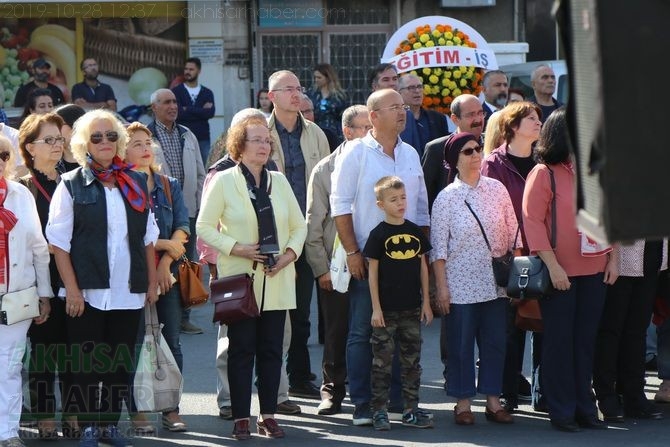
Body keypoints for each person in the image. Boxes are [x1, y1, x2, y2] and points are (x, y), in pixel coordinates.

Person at [46, 109, 159, 446]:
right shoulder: (70, 184)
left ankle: (109, 426)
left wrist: (151, 283)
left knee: (120, 365)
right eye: (96, 137)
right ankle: (89, 426)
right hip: (88, 293)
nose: (105, 142)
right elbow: (58, 244)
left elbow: (148, 238)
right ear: (84, 144)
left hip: (128, 290)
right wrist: (73, 290)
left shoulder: (136, 182)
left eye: (111, 136)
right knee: (84, 366)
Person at [196, 115, 307, 440]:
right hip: (240, 281)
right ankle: (241, 417)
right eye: (256, 140)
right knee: (242, 350)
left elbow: (299, 227)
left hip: (277, 278)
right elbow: (203, 227)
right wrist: (237, 248)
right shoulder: (224, 180)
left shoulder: (279, 181)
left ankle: (268, 415)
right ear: (239, 146)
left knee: (273, 350)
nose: (264, 145)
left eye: (266, 140)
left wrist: (289, 255)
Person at [330, 88, 430, 426]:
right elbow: (340, 207)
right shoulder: (355, 154)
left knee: (404, 334)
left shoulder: (411, 154)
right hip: (368, 263)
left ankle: (402, 404)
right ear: (373, 116)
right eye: (394, 107)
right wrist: (352, 252)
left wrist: (423, 257)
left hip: (406, 262)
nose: (402, 112)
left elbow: (420, 210)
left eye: (403, 107)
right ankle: (362, 405)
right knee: (363, 332)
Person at [522, 107, 618, 432]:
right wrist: (552, 266)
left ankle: (585, 409)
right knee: (560, 344)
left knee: (584, 342)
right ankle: (562, 410)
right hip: (559, 272)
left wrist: (614, 258)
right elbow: (532, 222)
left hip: (595, 269)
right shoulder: (544, 173)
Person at [430, 132, 518, 426]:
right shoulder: (446, 198)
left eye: (479, 148)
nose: (476, 154)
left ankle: (493, 401)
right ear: (454, 161)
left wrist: (516, 274)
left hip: (496, 283)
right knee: (461, 344)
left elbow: (513, 231)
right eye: (468, 151)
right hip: (460, 284)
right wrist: (441, 288)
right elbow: (438, 249)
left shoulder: (497, 188)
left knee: (495, 343)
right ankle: (463, 401)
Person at [124, 121, 191, 432]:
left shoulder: (168, 184)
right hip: (133, 276)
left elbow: (183, 227)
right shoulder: (121, 184)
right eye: (136, 143)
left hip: (169, 275)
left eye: (147, 142)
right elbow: (128, 235)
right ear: (124, 151)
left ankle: (170, 408)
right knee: (136, 343)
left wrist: (165, 262)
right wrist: (165, 244)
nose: (144, 148)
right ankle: (137, 411)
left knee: (172, 342)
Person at [267, 70, 330, 399]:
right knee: (271, 313)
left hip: (305, 233)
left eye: (298, 88)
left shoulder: (316, 133)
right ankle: (270, 377)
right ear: (271, 96)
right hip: (269, 235)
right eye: (288, 89)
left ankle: (300, 375)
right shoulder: (258, 132)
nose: (296, 93)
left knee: (302, 312)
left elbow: (324, 185)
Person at [305, 104, 371, 415]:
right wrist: (321, 270)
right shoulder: (325, 170)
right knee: (336, 331)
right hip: (337, 265)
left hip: (374, 261)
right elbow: (313, 225)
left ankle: (371, 391)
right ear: (347, 131)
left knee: (372, 329)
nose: (371, 134)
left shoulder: (378, 160)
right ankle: (332, 390)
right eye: (364, 128)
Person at [17, 113, 78, 440]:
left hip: (74, 280)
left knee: (73, 351)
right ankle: (44, 415)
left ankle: (72, 412)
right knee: (43, 353)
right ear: (30, 147)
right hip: (38, 282)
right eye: (49, 140)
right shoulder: (23, 187)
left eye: (60, 139)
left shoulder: (75, 178)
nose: (58, 145)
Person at [480, 101, 543, 413]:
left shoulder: (544, 160)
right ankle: (507, 391)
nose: (538, 123)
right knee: (511, 326)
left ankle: (543, 393)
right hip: (512, 256)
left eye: (538, 118)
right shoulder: (494, 164)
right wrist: (511, 249)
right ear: (513, 126)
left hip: (546, 252)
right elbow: (492, 212)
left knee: (545, 322)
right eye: (531, 118)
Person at [364, 176, 433, 431]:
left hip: (412, 308)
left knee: (412, 362)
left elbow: (423, 268)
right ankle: (379, 410)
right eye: (393, 199)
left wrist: (426, 302)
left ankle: (410, 410)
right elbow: (372, 273)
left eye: (403, 197)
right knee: (381, 363)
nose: (400, 203)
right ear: (380, 204)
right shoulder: (378, 234)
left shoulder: (414, 231)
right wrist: (376, 308)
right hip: (386, 311)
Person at [0, 134, 52, 447]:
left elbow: (38, 246)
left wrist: (44, 293)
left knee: (9, 365)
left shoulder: (20, 194)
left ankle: (7, 432)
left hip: (16, 295)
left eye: (3, 154)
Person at [148, 88, 206, 335]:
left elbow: (201, 173)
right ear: (154, 108)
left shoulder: (186, 134)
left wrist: (200, 204)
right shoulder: (146, 136)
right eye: (166, 102)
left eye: (174, 102)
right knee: (160, 260)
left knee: (186, 262)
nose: (172, 106)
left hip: (188, 211)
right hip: (158, 211)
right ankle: (160, 315)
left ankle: (184, 316)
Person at [594, 239, 667, 422]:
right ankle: (606, 395)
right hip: (620, 261)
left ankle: (634, 394)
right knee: (610, 331)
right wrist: (612, 258)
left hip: (653, 258)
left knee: (637, 331)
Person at [422, 94, 485, 210]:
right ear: (455, 119)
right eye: (471, 115)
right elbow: (425, 194)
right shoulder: (437, 148)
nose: (478, 119)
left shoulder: (491, 144)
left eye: (480, 113)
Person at [172, 57, 216, 165]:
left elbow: (210, 113)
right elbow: (179, 114)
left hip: (202, 138)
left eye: (191, 69)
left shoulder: (207, 92)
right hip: (182, 137)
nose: (187, 72)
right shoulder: (176, 91)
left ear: (199, 71)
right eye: (186, 69)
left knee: (204, 167)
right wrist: (200, 111)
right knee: (184, 168)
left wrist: (187, 108)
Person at [398, 74, 449, 158]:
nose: (417, 91)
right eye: (411, 88)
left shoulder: (438, 118)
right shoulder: (396, 119)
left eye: (419, 86)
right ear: (399, 92)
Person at [307, 63, 348, 144]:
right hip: (316, 132)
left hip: (335, 134)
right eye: (315, 77)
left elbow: (343, 116)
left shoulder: (338, 96)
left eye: (319, 77)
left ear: (328, 78)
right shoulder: (311, 94)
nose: (316, 80)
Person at [54, 104, 86, 172]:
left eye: (59, 124)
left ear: (75, 126)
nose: (54, 129)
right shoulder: (51, 165)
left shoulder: (98, 162)